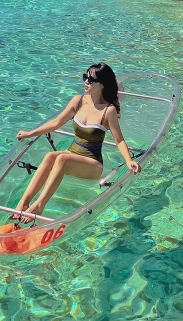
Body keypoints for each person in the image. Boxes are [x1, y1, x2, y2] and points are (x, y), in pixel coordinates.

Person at [12, 63, 141, 221]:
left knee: (62, 158)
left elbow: (118, 139)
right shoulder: (77, 101)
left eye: (91, 80)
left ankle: (39, 205)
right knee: (50, 156)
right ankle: (23, 203)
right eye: (85, 77)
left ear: (102, 85)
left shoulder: (109, 110)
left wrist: (129, 161)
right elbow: (56, 123)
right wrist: (29, 133)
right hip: (72, 154)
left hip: (92, 163)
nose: (86, 81)